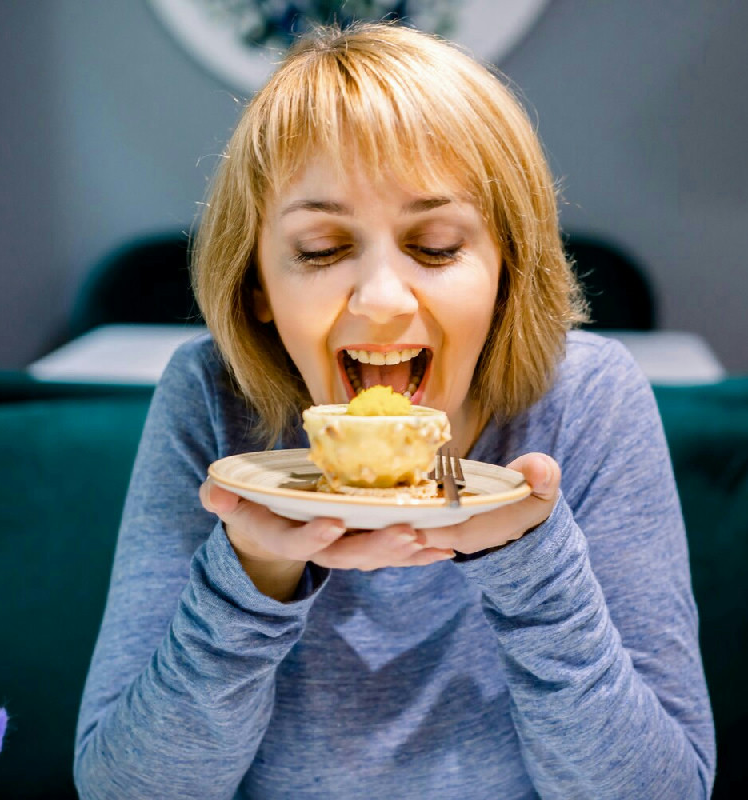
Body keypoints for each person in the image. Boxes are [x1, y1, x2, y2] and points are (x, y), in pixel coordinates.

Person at [75, 22, 714, 799]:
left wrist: (532, 566)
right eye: (319, 251)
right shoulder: (214, 403)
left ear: (506, 272)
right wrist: (252, 579)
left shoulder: (587, 401)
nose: (381, 302)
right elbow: (123, 790)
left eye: (438, 245)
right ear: (257, 288)